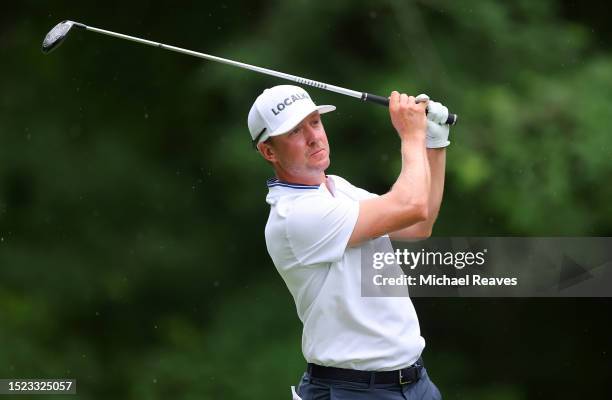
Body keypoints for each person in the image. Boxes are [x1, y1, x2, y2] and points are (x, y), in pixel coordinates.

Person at [248, 84, 449, 400]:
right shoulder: (295, 216)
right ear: (269, 151)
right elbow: (412, 205)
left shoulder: (337, 189)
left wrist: (434, 143)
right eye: (295, 131)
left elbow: (418, 224)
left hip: (415, 383)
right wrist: (411, 135)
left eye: (315, 121)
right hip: (353, 391)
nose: (313, 136)